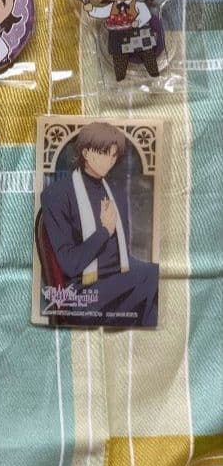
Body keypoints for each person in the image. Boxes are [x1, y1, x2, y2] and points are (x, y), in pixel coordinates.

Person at [39, 122, 159, 327]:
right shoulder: (57, 195)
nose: (110, 161)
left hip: (118, 283)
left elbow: (121, 256)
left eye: (114, 155)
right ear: (86, 152)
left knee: (153, 280)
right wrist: (104, 231)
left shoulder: (115, 193)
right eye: (104, 153)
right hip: (82, 294)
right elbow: (70, 264)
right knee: (151, 277)